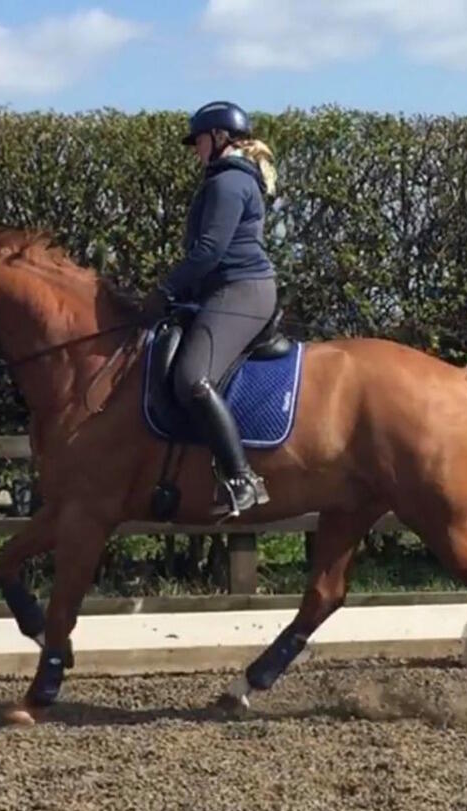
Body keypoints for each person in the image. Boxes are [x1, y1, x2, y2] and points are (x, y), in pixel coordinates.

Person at [157, 100, 282, 518]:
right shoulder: (227, 179)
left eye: (199, 141)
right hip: (224, 289)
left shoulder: (227, 183)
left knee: (194, 378)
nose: (196, 150)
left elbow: (210, 250)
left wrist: (167, 288)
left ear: (220, 138)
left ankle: (242, 479)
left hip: (242, 291)